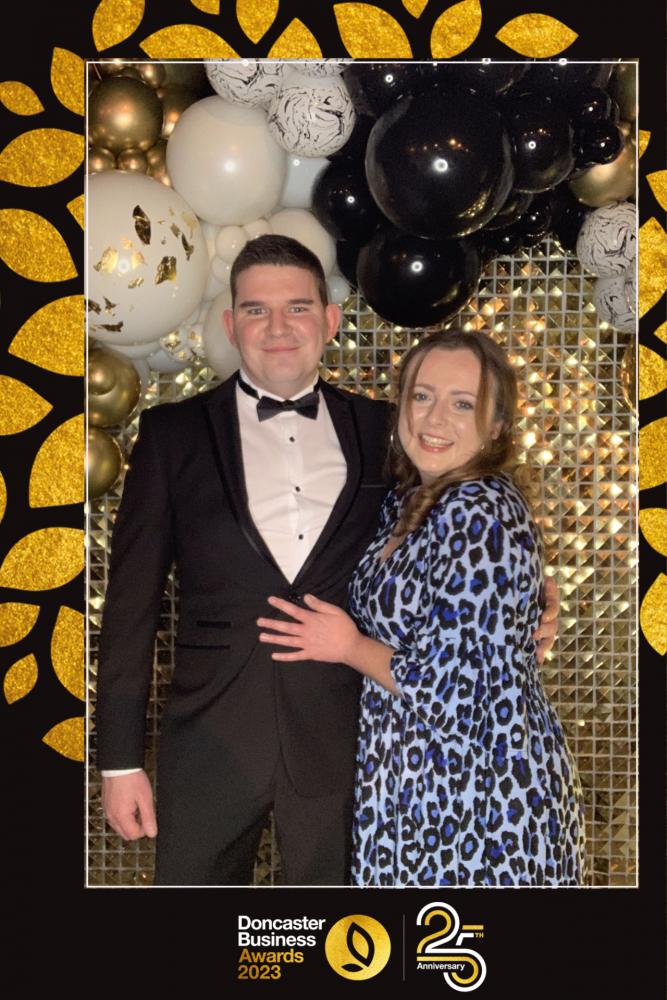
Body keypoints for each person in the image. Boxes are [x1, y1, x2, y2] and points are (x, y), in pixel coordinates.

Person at [96, 235, 559, 886]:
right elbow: (130, 606)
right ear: (230, 324)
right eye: (256, 309)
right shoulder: (172, 434)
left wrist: (530, 600)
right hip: (210, 741)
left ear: (330, 320)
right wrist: (119, 761)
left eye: (297, 307)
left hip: (345, 742)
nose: (278, 327)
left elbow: (455, 533)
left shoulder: (386, 429)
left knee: (331, 936)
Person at [258, 328, 586, 886]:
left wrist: (347, 646)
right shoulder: (407, 501)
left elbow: (453, 690)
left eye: (462, 404)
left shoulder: (480, 511)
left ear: (496, 425)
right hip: (414, 790)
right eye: (422, 396)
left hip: (481, 800)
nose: (435, 419)